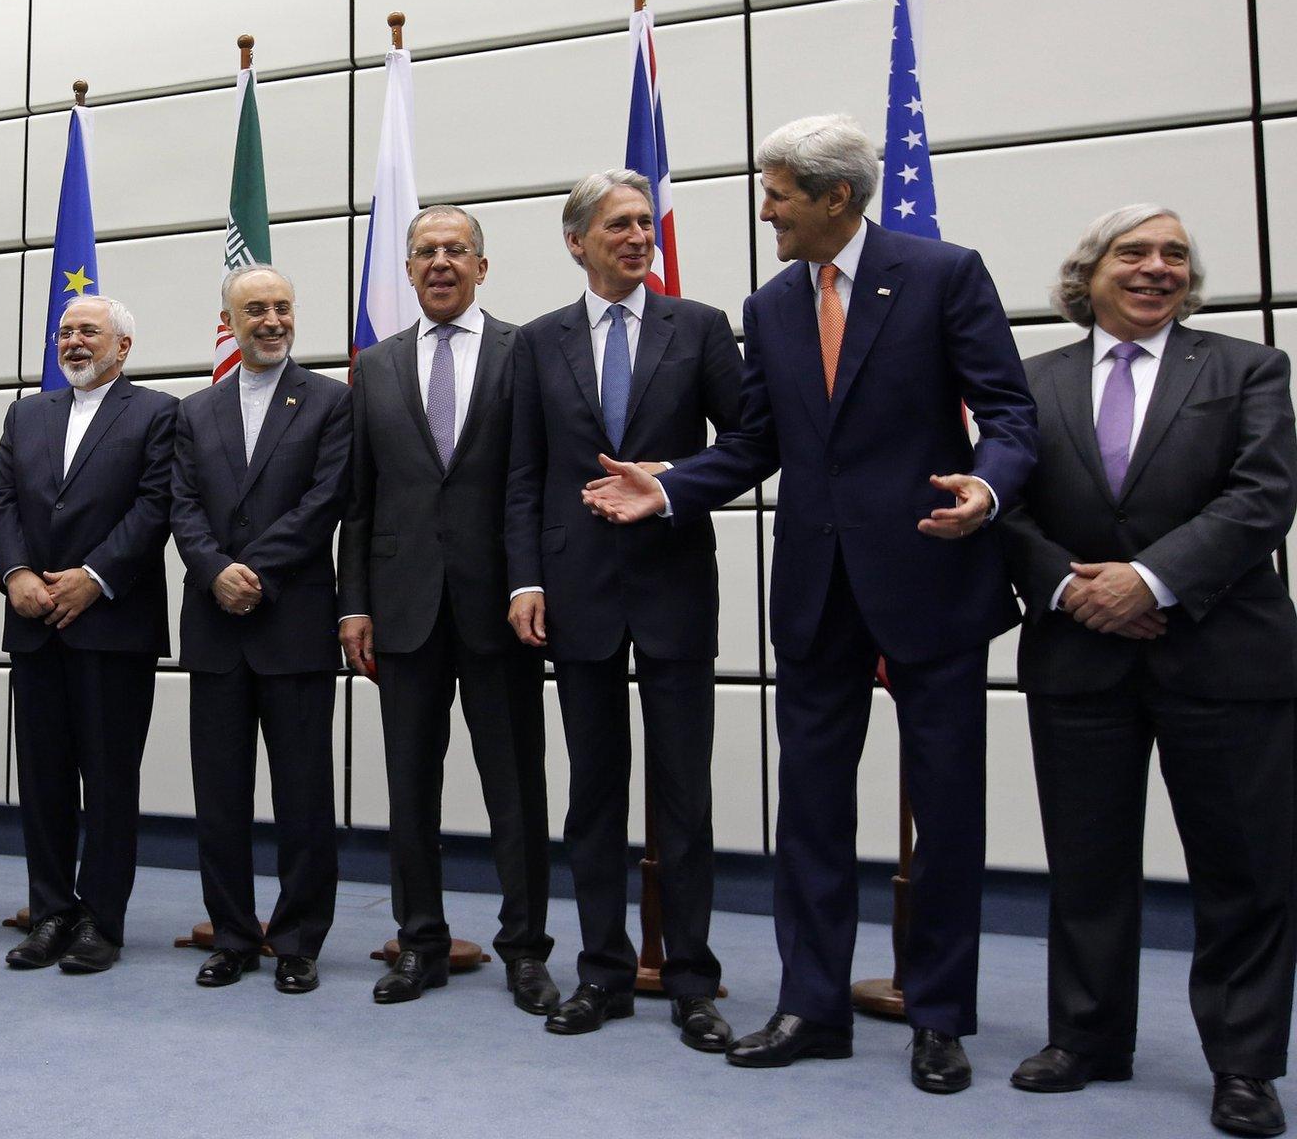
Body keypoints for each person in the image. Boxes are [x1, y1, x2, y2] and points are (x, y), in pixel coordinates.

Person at [583, 113, 1037, 1093]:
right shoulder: (772, 302)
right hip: (815, 591)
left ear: (835, 198)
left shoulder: (941, 273)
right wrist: (666, 488)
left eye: (777, 193)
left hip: (930, 571)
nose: (763, 209)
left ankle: (938, 1014)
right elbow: (757, 442)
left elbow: (1005, 413)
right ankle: (810, 1005)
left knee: (947, 808)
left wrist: (987, 488)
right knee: (811, 811)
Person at [998, 205, 1297, 1138]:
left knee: (1243, 871)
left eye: (1174, 254)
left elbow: (1264, 496)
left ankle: (1245, 1066)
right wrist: (1067, 586)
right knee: (1086, 864)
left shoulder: (1246, 368)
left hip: (1225, 655)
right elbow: (999, 502)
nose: (1156, 268)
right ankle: (1087, 1039)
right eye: (1133, 252)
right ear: (1088, 273)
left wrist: (1150, 581)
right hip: (1077, 652)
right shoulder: (1027, 383)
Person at [504, 172, 743, 1046]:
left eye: (646, 223)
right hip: (577, 594)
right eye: (619, 225)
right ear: (577, 242)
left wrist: (673, 486)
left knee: (684, 795)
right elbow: (524, 474)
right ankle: (601, 971)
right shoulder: (538, 342)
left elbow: (753, 442)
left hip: (675, 583)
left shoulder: (702, 329)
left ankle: (690, 980)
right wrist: (525, 581)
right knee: (594, 795)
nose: (639, 237)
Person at [340, 206, 558, 1012]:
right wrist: (352, 605)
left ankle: (526, 950)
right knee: (409, 790)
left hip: (501, 608)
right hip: (401, 611)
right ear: (406, 270)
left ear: (482, 266)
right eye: (425, 251)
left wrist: (530, 582)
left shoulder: (523, 353)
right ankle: (419, 943)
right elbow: (358, 503)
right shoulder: (378, 364)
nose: (440, 263)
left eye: (455, 250)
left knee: (516, 790)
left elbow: (533, 483)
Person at [173, 265, 350, 995]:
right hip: (216, 626)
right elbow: (180, 506)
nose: (271, 320)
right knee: (219, 795)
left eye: (281, 307)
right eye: (255, 310)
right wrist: (216, 571)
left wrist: (253, 571)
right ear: (229, 321)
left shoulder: (331, 401)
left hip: (294, 623)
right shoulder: (194, 411)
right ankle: (235, 935)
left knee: (303, 795)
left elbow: (324, 501)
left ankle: (300, 939)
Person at [0, 295, 177, 974]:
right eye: (64, 331)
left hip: (112, 626)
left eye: (87, 331)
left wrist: (94, 576)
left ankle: (101, 919)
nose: (72, 342)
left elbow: (157, 504)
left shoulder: (157, 413)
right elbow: (1, 499)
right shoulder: (25, 412)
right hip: (34, 622)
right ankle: (50, 913)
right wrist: (14, 574)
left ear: (122, 347)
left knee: (109, 781)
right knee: (41, 781)